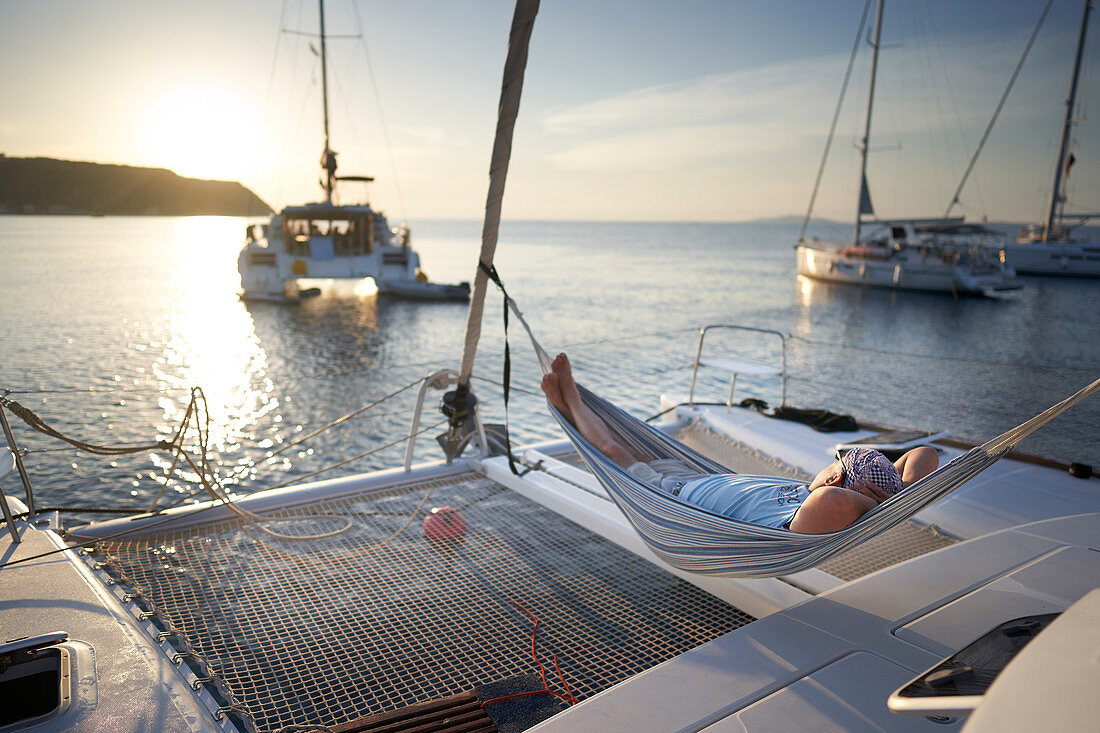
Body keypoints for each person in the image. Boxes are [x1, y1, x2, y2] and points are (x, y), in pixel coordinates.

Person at [541, 353, 939, 534]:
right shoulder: (821, 495)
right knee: (642, 449)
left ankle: (571, 401)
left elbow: (833, 502)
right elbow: (926, 453)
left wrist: (873, 503)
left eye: (830, 468)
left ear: (835, 480)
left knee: (614, 452)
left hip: (675, 497)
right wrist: (895, 495)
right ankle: (568, 406)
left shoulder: (814, 514)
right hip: (698, 478)